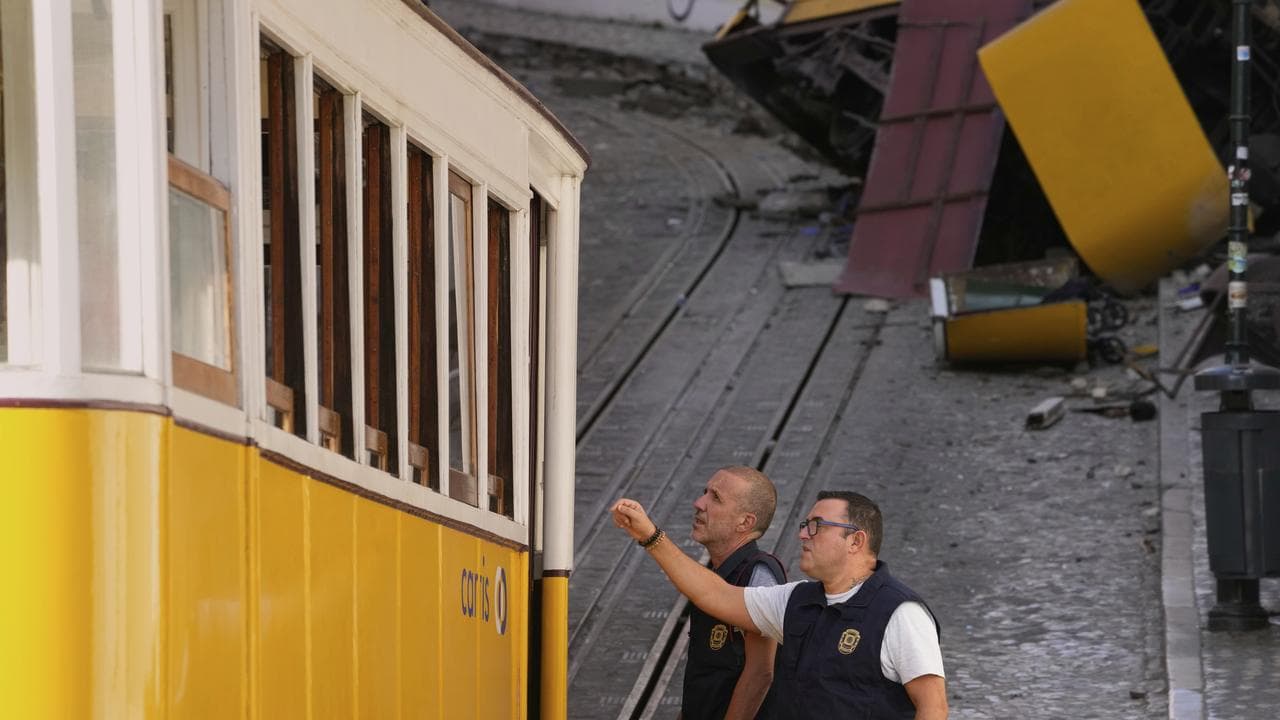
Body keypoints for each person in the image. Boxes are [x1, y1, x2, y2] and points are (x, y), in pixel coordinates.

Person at [613, 490, 947, 720]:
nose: (803, 535)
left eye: (816, 526)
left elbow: (933, 708)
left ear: (856, 541)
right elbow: (713, 594)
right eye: (804, 526)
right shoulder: (795, 600)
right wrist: (651, 536)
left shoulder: (901, 614)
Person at [681, 466, 786, 720]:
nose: (699, 503)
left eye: (715, 497)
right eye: (704, 492)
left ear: (745, 522)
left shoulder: (759, 576)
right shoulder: (717, 572)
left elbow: (761, 673)